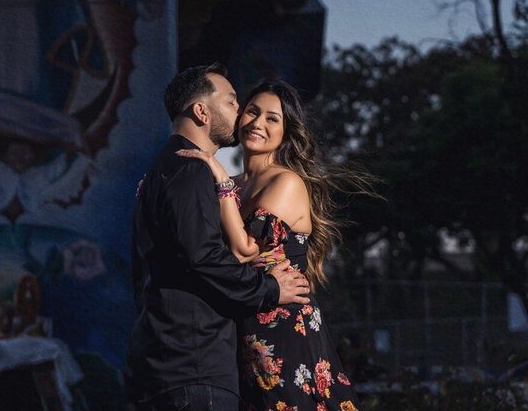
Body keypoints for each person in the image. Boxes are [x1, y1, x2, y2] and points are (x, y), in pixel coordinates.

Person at [126, 64, 313, 411]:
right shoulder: (192, 170)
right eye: (235, 104)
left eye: (271, 118)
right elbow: (207, 258)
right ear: (201, 111)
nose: (245, 115)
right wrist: (271, 288)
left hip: (234, 349)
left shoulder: (167, 171)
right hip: (194, 363)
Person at [177, 78, 363, 411]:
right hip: (235, 336)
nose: (258, 123)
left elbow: (241, 252)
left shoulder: (286, 181)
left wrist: (220, 181)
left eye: (272, 118)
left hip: (283, 334)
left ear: (286, 131)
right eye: (252, 112)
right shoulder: (233, 185)